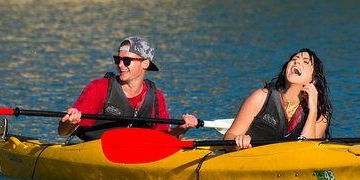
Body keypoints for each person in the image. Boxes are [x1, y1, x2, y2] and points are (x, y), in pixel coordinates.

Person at [58, 37, 198, 140]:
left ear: (145, 64)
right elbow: (62, 132)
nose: (120, 65)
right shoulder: (99, 88)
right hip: (94, 152)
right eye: (118, 60)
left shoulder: (156, 96)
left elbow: (164, 137)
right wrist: (70, 122)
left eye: (127, 61)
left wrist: (182, 128)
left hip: (134, 154)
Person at [224, 48, 332, 150]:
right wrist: (238, 141)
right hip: (251, 158)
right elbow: (229, 136)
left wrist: (313, 110)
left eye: (306, 62)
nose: (297, 62)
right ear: (285, 70)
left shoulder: (320, 113)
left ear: (314, 79)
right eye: (294, 59)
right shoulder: (261, 97)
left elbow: (309, 151)